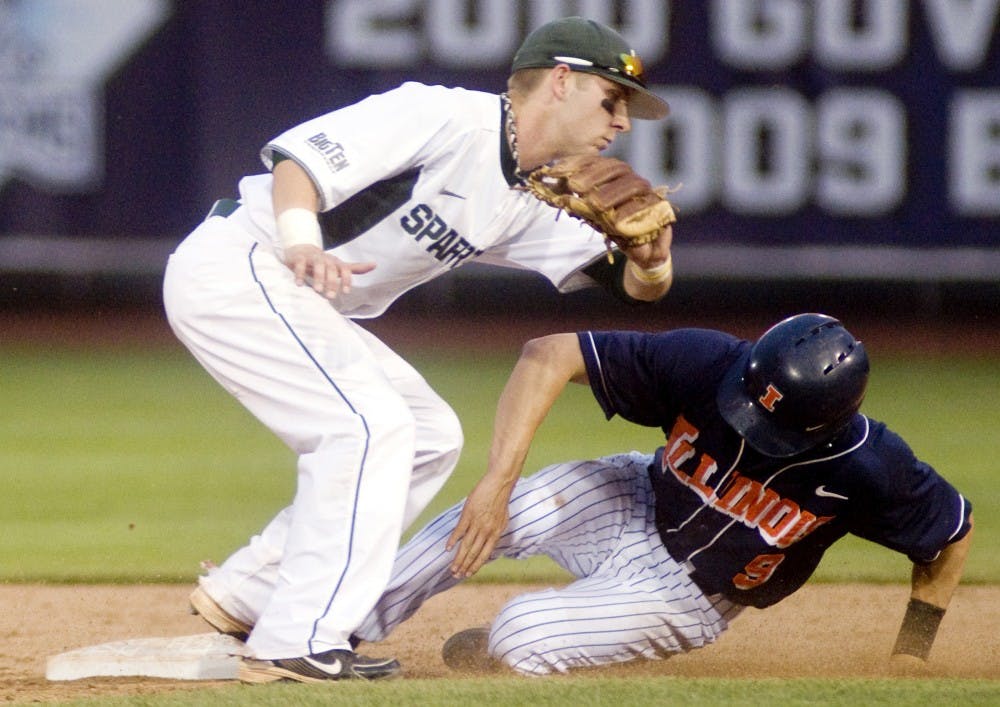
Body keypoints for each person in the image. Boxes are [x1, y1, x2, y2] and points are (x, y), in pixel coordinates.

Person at [162, 17, 674, 683]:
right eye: (612, 100)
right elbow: (298, 165)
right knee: (370, 425)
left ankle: (250, 595)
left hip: (294, 297)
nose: (622, 123)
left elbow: (631, 287)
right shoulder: (443, 117)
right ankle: (295, 638)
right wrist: (301, 244)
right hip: (245, 263)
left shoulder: (530, 189)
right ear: (560, 80)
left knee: (430, 433)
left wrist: (652, 256)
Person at [350, 313, 974, 676]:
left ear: (829, 420)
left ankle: (553, 641)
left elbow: (950, 535)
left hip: (692, 594)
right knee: (499, 514)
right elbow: (549, 354)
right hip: (632, 496)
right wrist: (496, 483)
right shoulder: (708, 361)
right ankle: (336, 631)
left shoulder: (871, 467)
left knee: (519, 636)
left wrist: (914, 650)